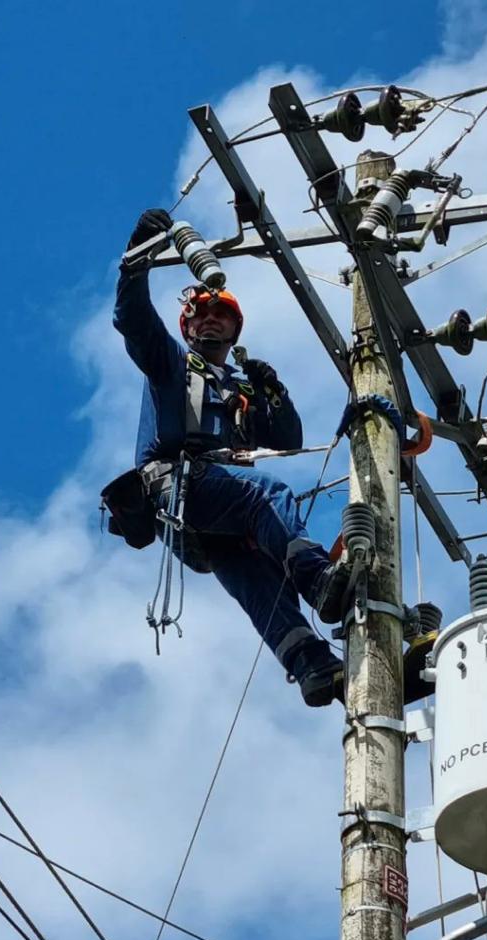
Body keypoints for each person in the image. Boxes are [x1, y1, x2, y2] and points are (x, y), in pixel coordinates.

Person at [112, 208, 348, 707]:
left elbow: (284, 440)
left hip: (210, 519)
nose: (213, 320)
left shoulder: (238, 392)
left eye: (223, 316)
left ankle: (314, 666)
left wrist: (273, 394)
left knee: (261, 583)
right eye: (204, 314)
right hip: (178, 489)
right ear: (188, 324)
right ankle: (318, 580)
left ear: (235, 331)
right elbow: (132, 321)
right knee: (267, 494)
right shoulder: (170, 363)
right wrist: (136, 262)